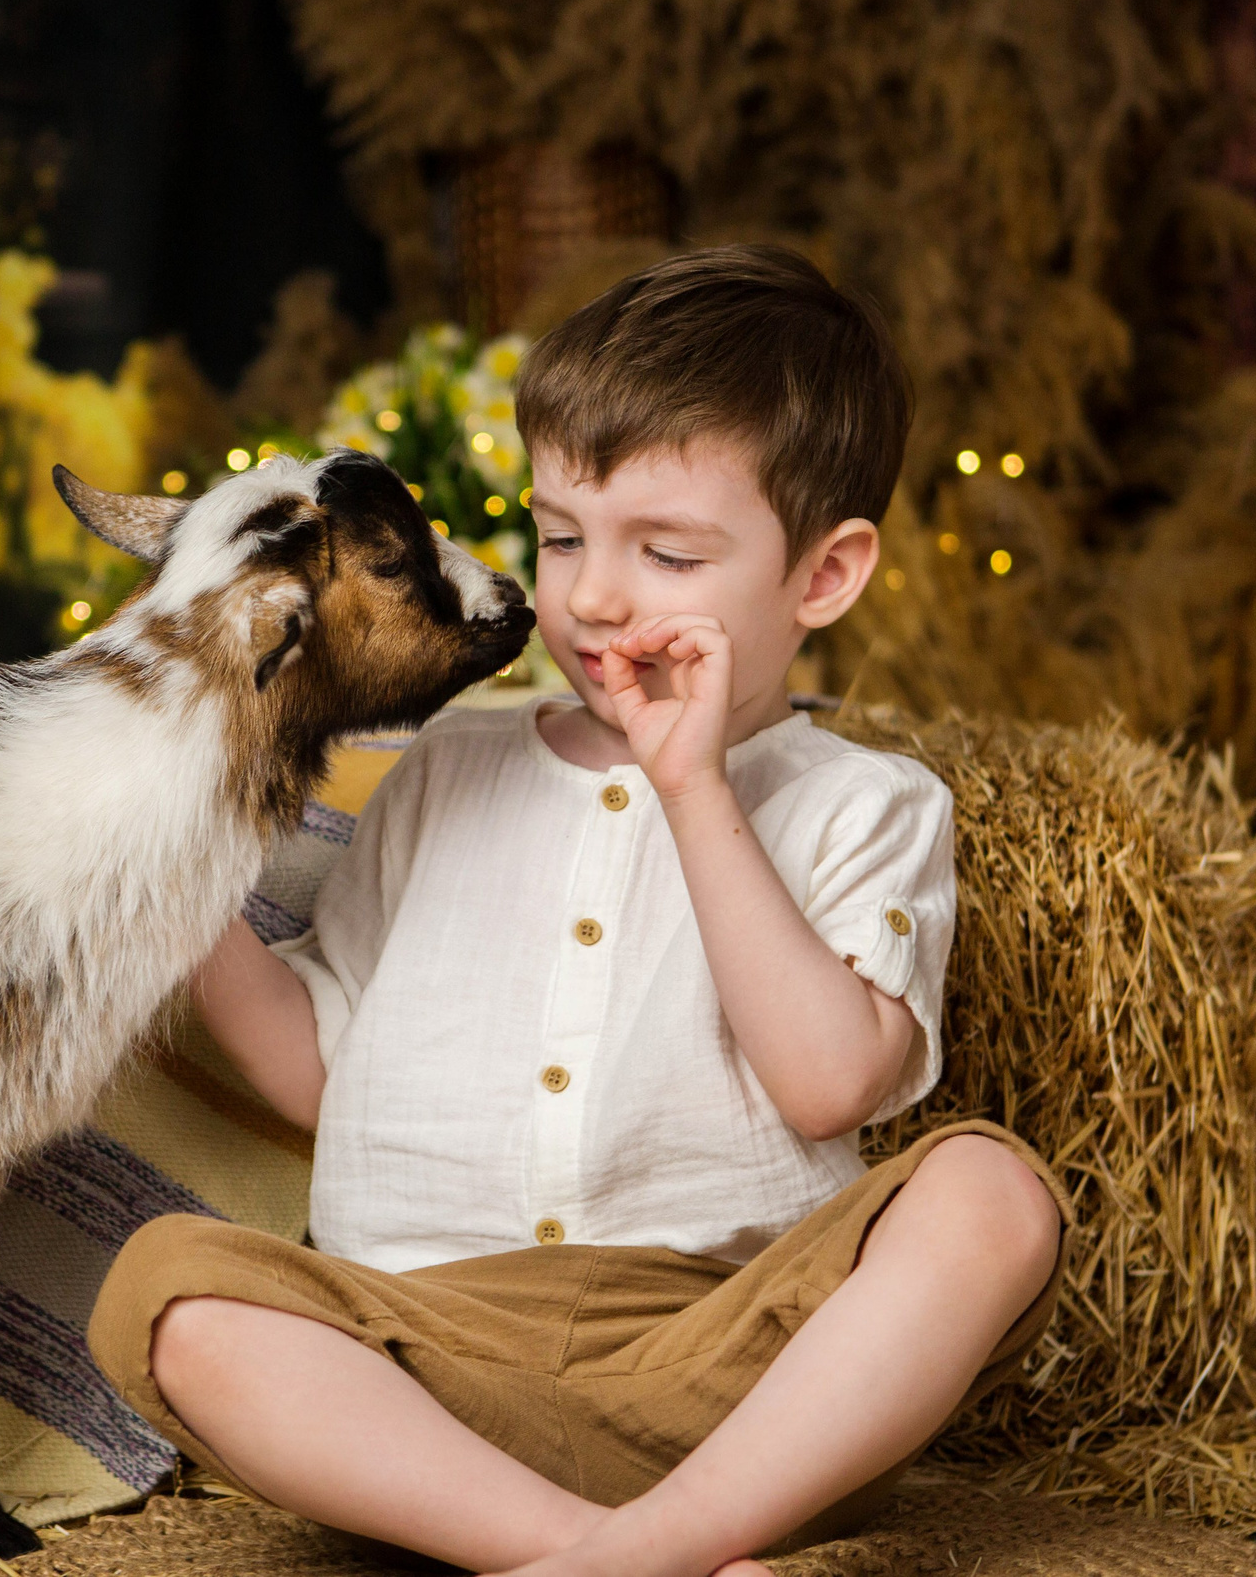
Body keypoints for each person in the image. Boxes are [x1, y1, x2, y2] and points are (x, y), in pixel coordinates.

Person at [87, 245, 1067, 1577]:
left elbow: (834, 1083)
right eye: (560, 536)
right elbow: (325, 1069)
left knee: (991, 1195)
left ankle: (647, 1545)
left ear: (822, 579)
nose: (592, 595)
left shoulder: (863, 803)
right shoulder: (448, 766)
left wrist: (692, 787)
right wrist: (176, 841)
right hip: (430, 1380)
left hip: (737, 1380)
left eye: (665, 552)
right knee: (172, 1294)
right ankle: (609, 1557)